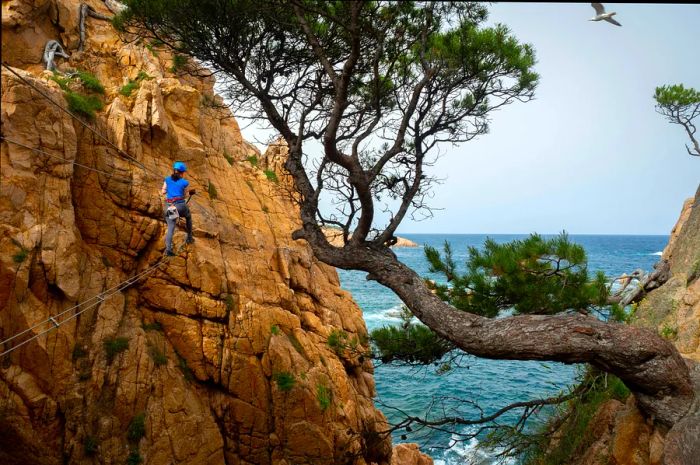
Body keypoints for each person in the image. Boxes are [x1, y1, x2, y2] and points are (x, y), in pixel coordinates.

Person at [162, 161, 195, 256]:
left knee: (171, 227)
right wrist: (191, 193)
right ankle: (189, 237)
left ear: (174, 170)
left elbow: (163, 191)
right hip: (179, 206)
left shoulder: (167, 179)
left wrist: (169, 190)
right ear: (182, 172)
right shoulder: (184, 182)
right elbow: (184, 196)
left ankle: (168, 249)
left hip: (169, 206)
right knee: (188, 216)